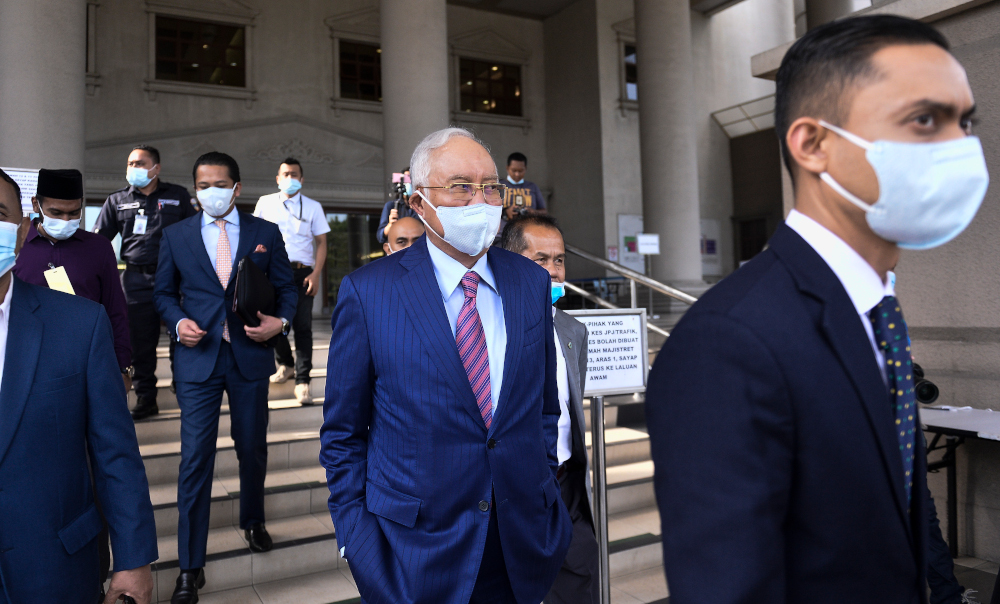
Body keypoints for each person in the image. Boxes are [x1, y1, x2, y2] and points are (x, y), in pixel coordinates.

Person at [644, 15, 987, 604]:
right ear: (812, 144)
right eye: (924, 120)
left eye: (965, 122)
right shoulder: (727, 343)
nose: (959, 147)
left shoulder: (874, 311)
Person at [321, 127, 572, 604]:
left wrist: (544, 492)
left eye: (490, 187)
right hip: (412, 553)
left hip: (521, 541)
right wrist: (356, 538)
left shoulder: (530, 282)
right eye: (460, 186)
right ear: (419, 202)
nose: (480, 200)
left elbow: (543, 407)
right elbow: (343, 433)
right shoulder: (368, 292)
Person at [0, 169, 158, 603]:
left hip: (53, 565)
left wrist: (133, 558)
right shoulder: (34, 253)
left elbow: (115, 452)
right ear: (39, 211)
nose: (66, 219)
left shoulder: (83, 318)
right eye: (57, 211)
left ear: (21, 229)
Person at [154, 152, 297, 604]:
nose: (211, 192)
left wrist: (281, 323)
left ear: (236, 188)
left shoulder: (264, 232)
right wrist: (178, 322)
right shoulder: (176, 234)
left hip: (249, 356)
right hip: (198, 361)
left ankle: (253, 519)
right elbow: (162, 293)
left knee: (251, 447)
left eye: (220, 184)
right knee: (195, 459)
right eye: (203, 185)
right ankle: (189, 566)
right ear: (195, 189)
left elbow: (287, 288)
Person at [500, 214, 598, 604]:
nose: (554, 271)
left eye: (559, 260)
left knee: (577, 579)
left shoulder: (573, 330)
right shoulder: (489, 325)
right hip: (513, 485)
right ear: (510, 263)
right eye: (541, 259)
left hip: (565, 482)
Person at [93, 145, 197, 421]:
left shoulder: (177, 196)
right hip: (135, 279)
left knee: (180, 335)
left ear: (156, 168)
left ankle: (184, 389)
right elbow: (98, 242)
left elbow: (196, 235)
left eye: (140, 163)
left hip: (175, 278)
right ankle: (146, 398)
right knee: (140, 342)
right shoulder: (117, 200)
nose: (133, 168)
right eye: (130, 163)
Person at [253, 157, 330, 404]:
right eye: (285, 174)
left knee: (303, 327)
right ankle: (285, 364)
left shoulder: (313, 207)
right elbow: (255, 237)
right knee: (274, 322)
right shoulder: (265, 203)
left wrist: (316, 274)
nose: (289, 178)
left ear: (302, 179)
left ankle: (303, 381)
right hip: (272, 273)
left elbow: (322, 242)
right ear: (277, 179)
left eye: (294, 174)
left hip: (302, 274)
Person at [376, 166, 418, 244]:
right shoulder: (392, 206)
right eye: (406, 180)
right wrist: (390, 225)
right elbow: (380, 236)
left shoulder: (423, 206)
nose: (409, 183)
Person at [503, 152, 547, 222]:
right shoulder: (499, 186)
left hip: (529, 226)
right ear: (507, 168)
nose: (517, 174)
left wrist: (533, 212)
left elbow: (544, 211)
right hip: (505, 227)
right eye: (514, 170)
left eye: (521, 171)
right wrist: (506, 212)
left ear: (525, 169)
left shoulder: (532, 187)